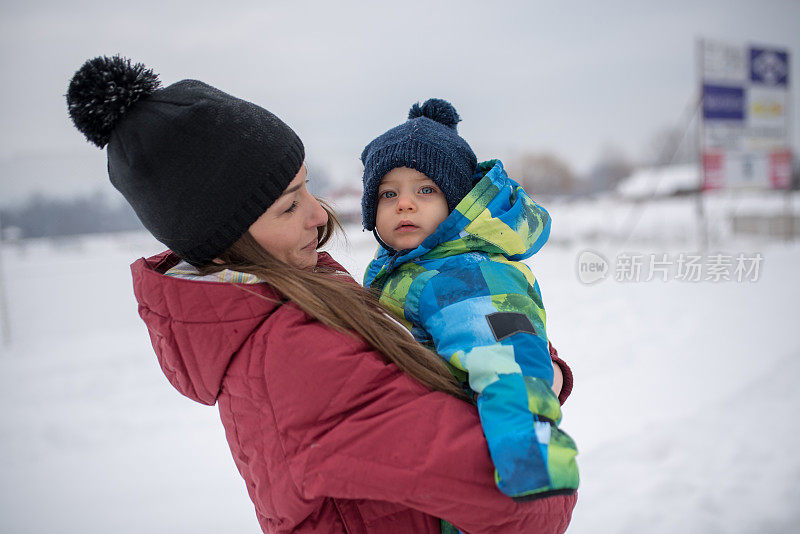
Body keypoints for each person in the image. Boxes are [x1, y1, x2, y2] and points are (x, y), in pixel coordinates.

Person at [66, 56, 577, 533]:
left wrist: (522, 353)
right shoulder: (298, 357)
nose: (320, 215)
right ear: (224, 242)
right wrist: (539, 371)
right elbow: (532, 504)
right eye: (290, 207)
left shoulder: (304, 303)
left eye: (307, 187)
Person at [360, 99, 579, 500]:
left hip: (478, 462)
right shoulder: (409, 265)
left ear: (456, 202)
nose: (404, 203)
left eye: (425, 189)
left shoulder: (466, 275)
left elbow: (510, 359)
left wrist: (530, 459)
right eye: (388, 194)